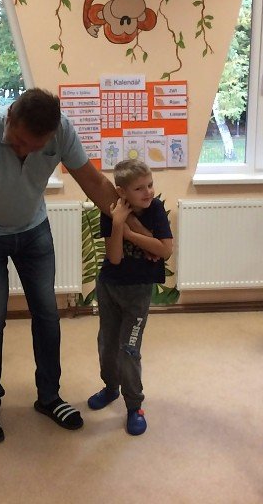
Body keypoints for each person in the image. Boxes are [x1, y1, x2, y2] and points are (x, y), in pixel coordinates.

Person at [0, 87, 138, 445]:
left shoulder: (62, 130)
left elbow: (94, 183)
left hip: (33, 229)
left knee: (47, 313)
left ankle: (49, 397)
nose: (24, 151)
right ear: (10, 116)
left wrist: (142, 234)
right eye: (18, 141)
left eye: (34, 146)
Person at [86, 160, 173, 436]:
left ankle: (134, 405)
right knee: (107, 345)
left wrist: (129, 233)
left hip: (138, 293)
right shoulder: (111, 211)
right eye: (139, 188)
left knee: (129, 349)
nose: (148, 192)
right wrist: (117, 223)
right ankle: (111, 387)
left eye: (150, 185)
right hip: (109, 287)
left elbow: (165, 250)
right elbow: (114, 258)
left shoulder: (155, 209)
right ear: (122, 192)